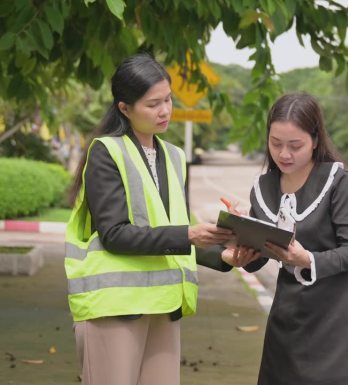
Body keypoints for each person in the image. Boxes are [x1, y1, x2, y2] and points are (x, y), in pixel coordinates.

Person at [64, 52, 258, 385]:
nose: (165, 110)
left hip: (164, 306)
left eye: (168, 99)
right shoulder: (106, 152)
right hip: (114, 306)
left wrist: (223, 254)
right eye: (153, 104)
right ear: (125, 108)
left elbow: (175, 231)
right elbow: (115, 234)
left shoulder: (174, 156)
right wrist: (188, 235)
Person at [243, 92, 348, 384]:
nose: (284, 154)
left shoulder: (338, 182)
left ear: (314, 139)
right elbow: (259, 255)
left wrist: (307, 259)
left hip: (340, 321)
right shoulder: (263, 188)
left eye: (295, 145)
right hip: (289, 323)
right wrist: (243, 254)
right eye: (276, 144)